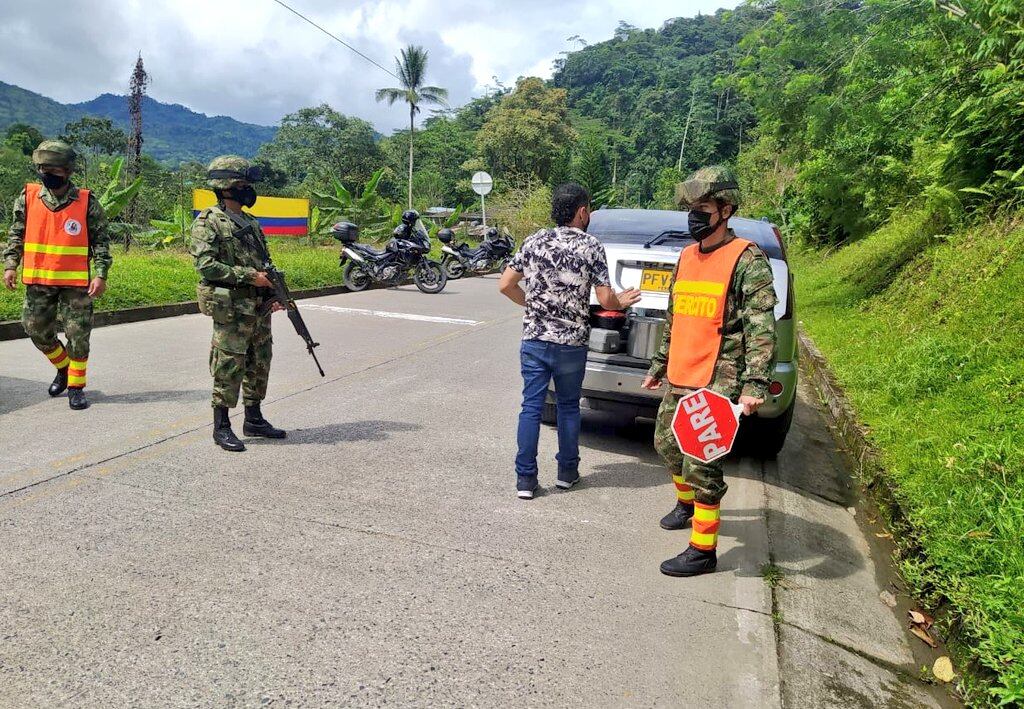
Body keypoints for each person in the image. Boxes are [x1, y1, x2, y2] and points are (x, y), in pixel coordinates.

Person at [642, 166, 777, 577]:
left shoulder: (746, 259)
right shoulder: (685, 256)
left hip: (719, 374)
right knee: (666, 445)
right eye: (692, 209)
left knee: (702, 461)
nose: (694, 217)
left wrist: (753, 384)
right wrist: (659, 364)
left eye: (703, 208)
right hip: (682, 368)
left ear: (725, 210)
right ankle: (687, 504)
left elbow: (761, 326)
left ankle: (703, 550)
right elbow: (675, 315)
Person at [500, 183, 641, 499]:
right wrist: (623, 300)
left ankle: (525, 481)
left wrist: (534, 305)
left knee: (531, 408)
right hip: (571, 345)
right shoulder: (592, 247)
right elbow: (606, 300)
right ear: (582, 212)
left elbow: (506, 284)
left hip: (535, 340)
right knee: (567, 408)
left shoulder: (534, 241)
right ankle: (567, 473)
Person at [2, 140, 112, 410]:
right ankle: (63, 368)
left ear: (68, 171)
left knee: (78, 334)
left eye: (53, 169)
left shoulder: (86, 201)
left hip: (76, 284)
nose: (46, 174)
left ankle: (76, 386)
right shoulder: (28, 197)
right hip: (39, 280)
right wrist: (10, 264)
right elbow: (16, 232)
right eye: (42, 168)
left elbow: (101, 240)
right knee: (34, 328)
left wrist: (100, 274)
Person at [191, 155, 286, 452]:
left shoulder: (251, 222)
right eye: (244, 184)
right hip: (231, 308)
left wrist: (273, 293)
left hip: (258, 309)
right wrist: (249, 277)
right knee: (229, 364)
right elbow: (206, 266)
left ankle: (254, 419)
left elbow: (263, 263)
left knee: (260, 362)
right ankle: (221, 426)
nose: (249, 190)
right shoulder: (209, 222)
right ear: (228, 187)